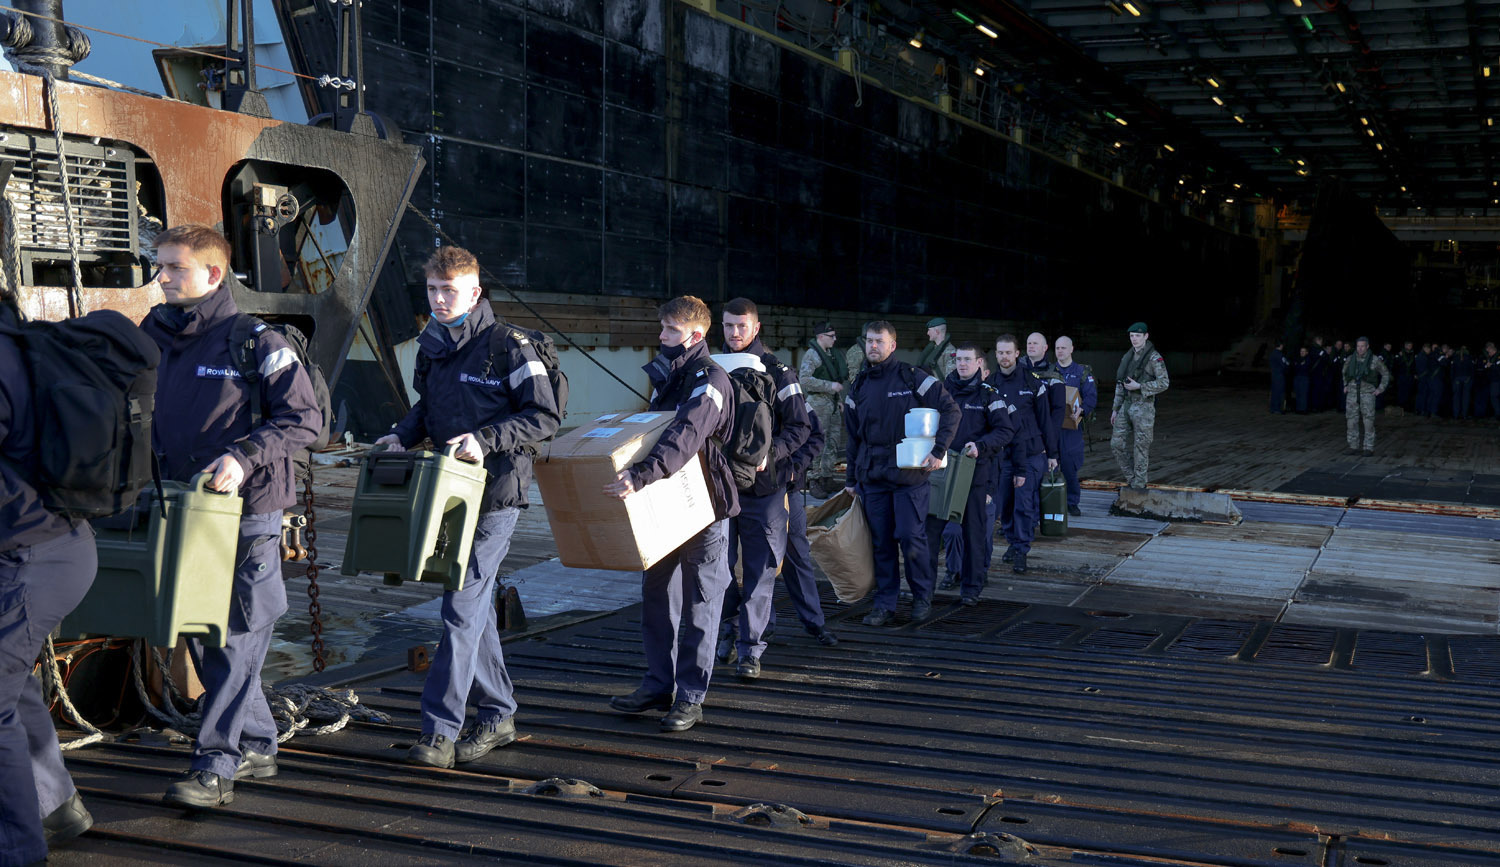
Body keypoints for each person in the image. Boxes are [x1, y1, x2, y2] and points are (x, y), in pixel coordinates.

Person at [142, 225, 322, 807]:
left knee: (238, 635)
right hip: (184, 508)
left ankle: (216, 766)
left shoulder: (259, 342)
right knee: (199, 631)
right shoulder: (159, 334)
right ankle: (259, 742)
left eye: (174, 267)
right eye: (160, 266)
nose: (162, 277)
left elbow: (306, 421)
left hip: (247, 514)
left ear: (213, 275)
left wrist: (243, 458)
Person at [375, 246, 562, 767]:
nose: (438, 299)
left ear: (475, 293)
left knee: (459, 607)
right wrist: (399, 437)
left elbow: (544, 416)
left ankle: (439, 731)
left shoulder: (510, 346)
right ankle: (498, 711)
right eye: (432, 290)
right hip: (448, 492)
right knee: (471, 609)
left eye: (449, 291)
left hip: (497, 492)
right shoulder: (432, 346)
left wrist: (486, 438)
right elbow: (428, 409)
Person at [0, 299, 105, 862]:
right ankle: (54, 807)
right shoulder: (24, 340)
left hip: (28, 559)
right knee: (10, 685)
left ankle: (18, 851)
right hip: (60, 545)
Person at [606, 296, 738, 733]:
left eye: (669, 331)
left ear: (695, 335)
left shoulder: (710, 380)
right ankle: (658, 684)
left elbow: (687, 433)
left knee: (702, 599)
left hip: (703, 504)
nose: (660, 337)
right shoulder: (672, 376)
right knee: (657, 594)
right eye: (661, 328)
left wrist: (642, 473)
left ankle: (690, 696)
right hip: (665, 501)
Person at [719, 298, 811, 680]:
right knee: (717, 570)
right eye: (728, 326)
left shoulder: (779, 372)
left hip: (763, 488)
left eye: (742, 326)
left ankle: (750, 650)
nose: (734, 333)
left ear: (756, 328)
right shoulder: (711, 369)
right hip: (719, 487)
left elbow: (802, 426)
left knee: (759, 572)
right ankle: (725, 636)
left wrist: (769, 454)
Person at [844, 320, 959, 626]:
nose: (873, 346)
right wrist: (850, 481)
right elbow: (853, 437)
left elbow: (951, 410)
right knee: (880, 544)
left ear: (892, 345)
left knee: (911, 538)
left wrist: (939, 451)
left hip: (909, 478)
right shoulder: (858, 386)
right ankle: (885, 604)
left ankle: (922, 598)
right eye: (869, 341)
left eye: (879, 341)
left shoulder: (912, 377)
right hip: (874, 479)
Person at [925, 343, 1014, 605]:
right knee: (930, 533)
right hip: (940, 472)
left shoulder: (989, 395)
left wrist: (981, 446)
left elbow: (1005, 431)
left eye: (967, 359)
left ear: (979, 364)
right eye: (958, 359)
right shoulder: (942, 392)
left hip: (974, 474)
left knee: (973, 534)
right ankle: (925, 590)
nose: (961, 364)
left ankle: (971, 590)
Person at [989, 334, 1054, 575]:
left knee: (1024, 505)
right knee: (1005, 505)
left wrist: (1052, 453)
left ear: (1017, 354)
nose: (1004, 357)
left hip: (1030, 453)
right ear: (996, 355)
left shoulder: (1032, 383)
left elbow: (1046, 420)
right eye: (1000, 353)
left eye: (1008, 352)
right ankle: (1012, 542)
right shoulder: (990, 384)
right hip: (1002, 456)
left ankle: (1021, 550)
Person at [781, 411, 838, 645]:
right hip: (743, 489)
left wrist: (795, 467)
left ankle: (814, 621)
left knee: (797, 554)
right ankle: (747, 629)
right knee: (751, 564)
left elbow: (815, 433)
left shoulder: (785, 384)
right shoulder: (728, 381)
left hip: (786, 487)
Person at [1109, 322, 1169, 489]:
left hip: (1144, 406)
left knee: (1141, 447)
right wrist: (1115, 409)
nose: (1134, 339)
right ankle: (1132, 478)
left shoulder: (1153, 358)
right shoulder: (1128, 357)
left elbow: (1164, 382)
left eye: (1137, 335)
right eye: (1132, 336)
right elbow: (1120, 384)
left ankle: (1139, 485)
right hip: (1126, 405)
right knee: (1116, 444)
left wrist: (1141, 387)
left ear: (1146, 336)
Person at [798, 321, 846, 498]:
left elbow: (834, 379)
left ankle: (827, 476)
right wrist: (829, 386)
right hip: (818, 402)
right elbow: (804, 380)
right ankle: (814, 480)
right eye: (831, 336)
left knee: (832, 441)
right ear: (820, 337)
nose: (835, 339)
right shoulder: (812, 355)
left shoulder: (830, 354)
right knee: (818, 441)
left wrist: (838, 399)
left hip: (831, 403)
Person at [1054, 336, 1097, 517]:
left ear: (1071, 349)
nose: (1060, 351)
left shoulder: (1081, 372)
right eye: (1057, 348)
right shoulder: (1048, 371)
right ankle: (1052, 502)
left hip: (1072, 428)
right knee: (1050, 467)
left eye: (1064, 348)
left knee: (1070, 466)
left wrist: (1082, 410)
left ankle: (1072, 502)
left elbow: (1091, 396)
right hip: (1052, 428)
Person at [1341, 336, 1390, 457]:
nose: (1360, 348)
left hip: (1367, 394)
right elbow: (1344, 372)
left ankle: (1368, 447)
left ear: (1367, 346)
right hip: (1352, 394)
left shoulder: (1374, 360)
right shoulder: (1350, 359)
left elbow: (1385, 374)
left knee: (1368, 422)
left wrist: (1380, 389)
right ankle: (1353, 446)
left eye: (1362, 346)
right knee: (1351, 421)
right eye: (1358, 346)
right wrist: (1345, 384)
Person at [1452, 346, 1475, 420]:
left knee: (1456, 398)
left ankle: (1455, 415)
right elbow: (1472, 370)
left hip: (1457, 379)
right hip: (1467, 379)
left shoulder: (1455, 357)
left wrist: (1453, 380)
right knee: (1466, 398)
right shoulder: (1469, 357)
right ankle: (1464, 415)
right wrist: (1471, 379)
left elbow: (1452, 370)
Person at [1268, 340, 1289, 414]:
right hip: (1280, 375)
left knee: (1274, 391)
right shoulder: (1280, 354)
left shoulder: (1272, 354)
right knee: (1280, 392)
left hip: (1274, 375)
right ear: (1281, 345)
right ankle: (1278, 408)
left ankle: (1272, 408)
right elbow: (1285, 364)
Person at [1414, 343, 1434, 416]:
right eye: (1429, 350)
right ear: (1426, 348)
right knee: (1423, 394)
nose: (1430, 351)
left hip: (1420, 377)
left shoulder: (1419, 355)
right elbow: (1426, 368)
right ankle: (1421, 410)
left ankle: (1418, 410)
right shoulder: (1424, 356)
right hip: (1424, 378)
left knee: (1420, 394)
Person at [1395, 341, 1415, 411]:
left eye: (1411, 345)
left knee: (1409, 391)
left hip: (1410, 376)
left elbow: (1414, 365)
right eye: (1408, 345)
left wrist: (1414, 374)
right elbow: (1396, 364)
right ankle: (1401, 407)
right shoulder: (1400, 353)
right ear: (1405, 346)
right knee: (1401, 392)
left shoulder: (1413, 354)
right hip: (1402, 376)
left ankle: (1408, 407)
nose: (1410, 346)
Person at [1293, 346, 1312, 413]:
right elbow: (1295, 367)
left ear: (1307, 352)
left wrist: (1299, 365)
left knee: (1303, 394)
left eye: (1303, 351)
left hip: (1304, 378)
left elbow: (1305, 367)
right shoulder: (1297, 358)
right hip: (1297, 377)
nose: (1302, 353)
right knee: (1298, 393)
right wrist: (1300, 365)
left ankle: (1303, 409)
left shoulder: (1308, 359)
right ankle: (1298, 409)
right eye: (1301, 351)